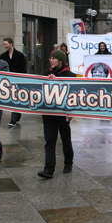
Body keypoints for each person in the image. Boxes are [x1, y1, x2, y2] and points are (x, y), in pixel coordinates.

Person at [38, 50, 76, 178]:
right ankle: (48, 169)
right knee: (49, 141)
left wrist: (71, 112)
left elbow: (72, 93)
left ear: (60, 61)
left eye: (53, 58)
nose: (51, 60)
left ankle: (68, 163)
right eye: (50, 58)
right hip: (48, 113)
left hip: (63, 113)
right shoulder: (46, 73)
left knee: (66, 139)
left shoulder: (70, 75)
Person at [0, 37, 27, 127]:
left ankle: (13, 119)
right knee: (13, 99)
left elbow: (23, 69)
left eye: (6, 44)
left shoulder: (20, 55)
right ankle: (17, 115)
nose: (5, 46)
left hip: (18, 80)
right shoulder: (3, 56)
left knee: (16, 99)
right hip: (8, 81)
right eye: (4, 44)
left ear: (11, 44)